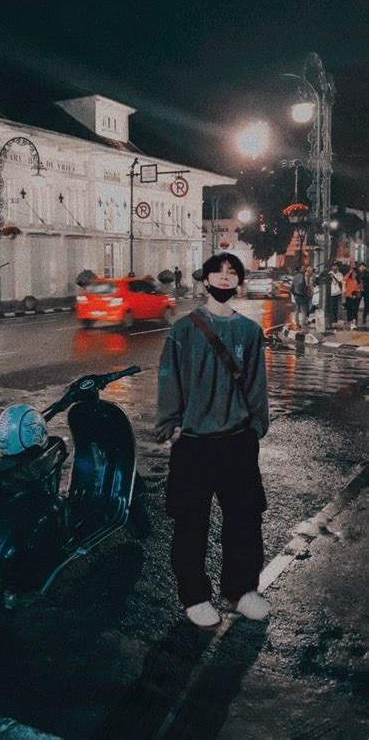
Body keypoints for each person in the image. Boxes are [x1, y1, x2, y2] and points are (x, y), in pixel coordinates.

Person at [156, 252, 270, 628]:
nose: (224, 277)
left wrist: (255, 428)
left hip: (237, 441)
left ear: (238, 281)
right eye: (217, 272)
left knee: (245, 519)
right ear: (205, 280)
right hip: (195, 443)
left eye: (231, 272)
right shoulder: (184, 330)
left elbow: (256, 386)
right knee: (191, 522)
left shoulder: (250, 332)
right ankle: (194, 596)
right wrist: (170, 422)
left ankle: (241, 591)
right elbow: (169, 378)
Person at [343, 265, 362, 330]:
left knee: (355, 310)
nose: (355, 274)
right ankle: (350, 322)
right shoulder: (349, 279)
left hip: (356, 297)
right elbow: (344, 279)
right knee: (349, 310)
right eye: (353, 273)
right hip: (349, 296)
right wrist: (349, 272)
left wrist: (358, 292)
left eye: (356, 273)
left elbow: (360, 288)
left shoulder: (358, 280)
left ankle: (354, 323)